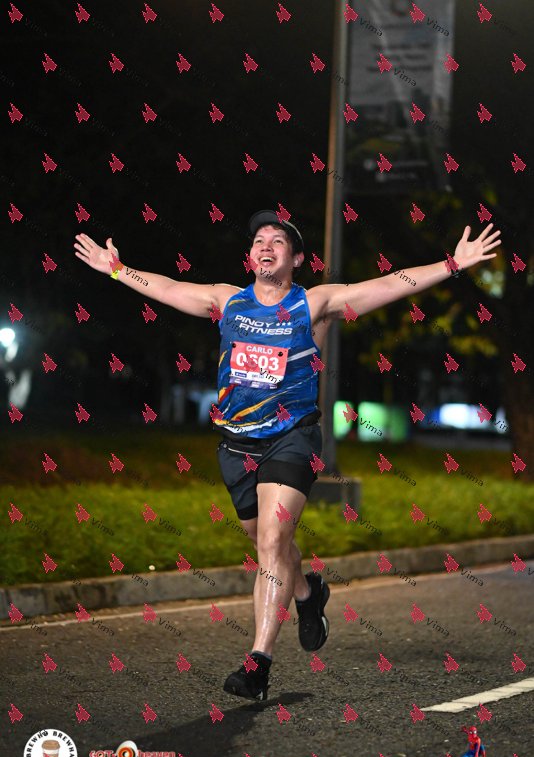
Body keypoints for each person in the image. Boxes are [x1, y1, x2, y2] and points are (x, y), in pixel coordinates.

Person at [74, 211, 501, 701]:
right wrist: (116, 269)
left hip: (292, 437)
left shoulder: (313, 303)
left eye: (278, 241)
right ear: (250, 256)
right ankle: (307, 592)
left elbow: (386, 285)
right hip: (237, 443)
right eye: (259, 240)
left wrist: (452, 264)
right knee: (266, 544)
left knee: (273, 542)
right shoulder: (227, 300)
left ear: (296, 259)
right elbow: (168, 287)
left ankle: (258, 663)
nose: (266, 246)